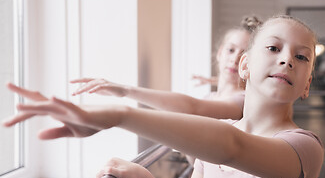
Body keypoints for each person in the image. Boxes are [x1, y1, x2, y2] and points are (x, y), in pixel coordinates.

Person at [3, 15, 325, 178]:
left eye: (301, 56)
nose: (286, 59)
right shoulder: (215, 147)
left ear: (307, 83)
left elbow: (233, 148)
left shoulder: (303, 147)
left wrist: (118, 115)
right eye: (273, 47)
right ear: (244, 66)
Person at [70, 16, 263, 121]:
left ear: (250, 63)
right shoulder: (211, 97)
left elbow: (193, 108)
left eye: (243, 55)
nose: (234, 59)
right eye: (231, 50)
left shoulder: (242, 100)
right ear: (220, 52)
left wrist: (125, 91)